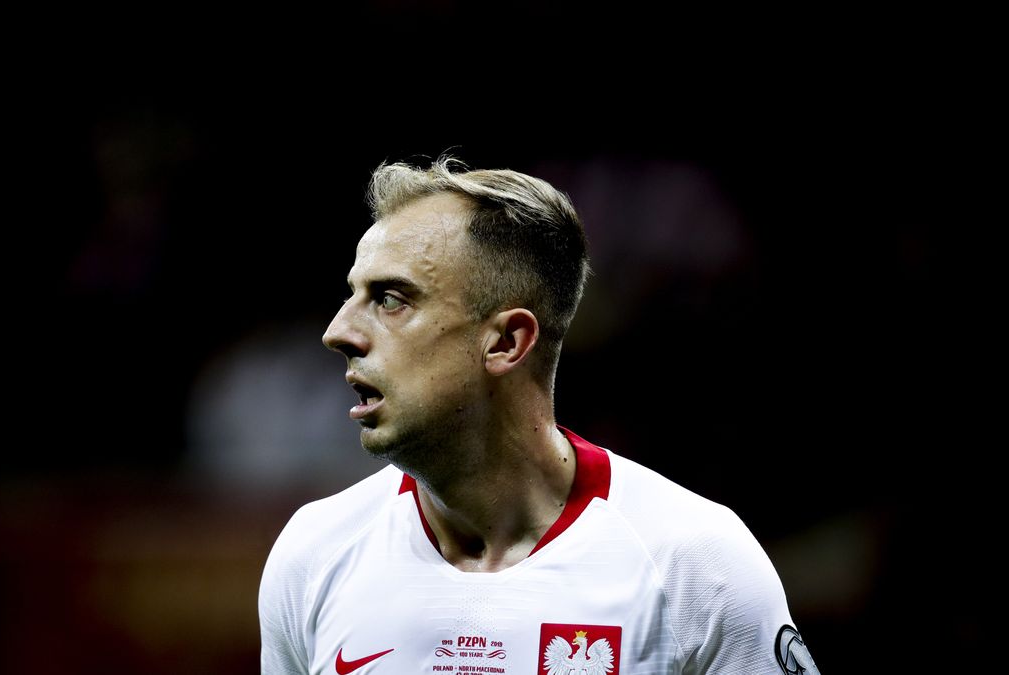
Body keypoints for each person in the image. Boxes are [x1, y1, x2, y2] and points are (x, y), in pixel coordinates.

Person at [258, 156, 819, 675]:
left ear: (506, 341)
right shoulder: (315, 552)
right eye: (352, 294)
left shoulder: (696, 564)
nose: (339, 333)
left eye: (390, 298)